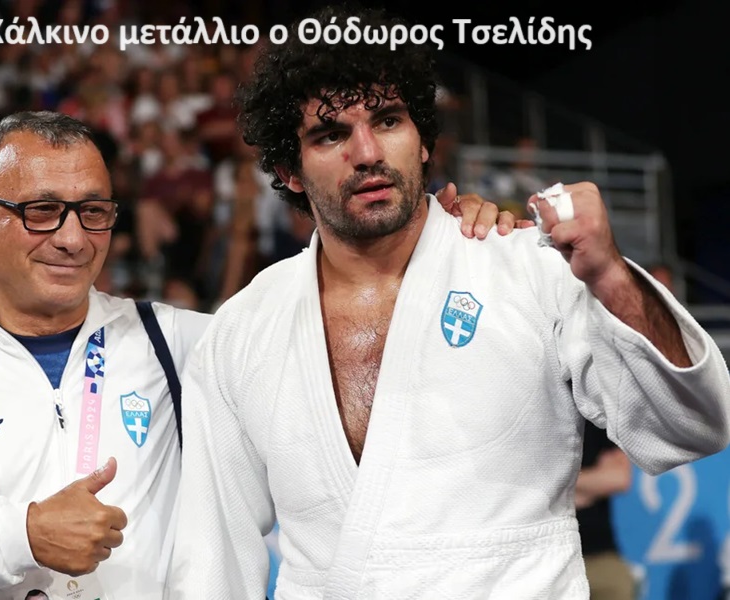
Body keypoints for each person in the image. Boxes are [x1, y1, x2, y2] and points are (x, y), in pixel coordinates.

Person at [167, 7, 730, 599]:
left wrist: (611, 276)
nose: (367, 152)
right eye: (330, 134)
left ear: (423, 141)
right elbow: (212, 559)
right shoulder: (244, 328)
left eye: (388, 120)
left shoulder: (527, 269)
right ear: (290, 171)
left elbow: (695, 426)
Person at [0, 110, 511, 600]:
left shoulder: (178, 342)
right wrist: (20, 536)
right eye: (41, 211)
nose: (72, 238)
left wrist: (438, 237)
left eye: (93, 212)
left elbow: (340, 327)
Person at [576, 421, 635, 600]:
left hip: (599, 553)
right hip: (541, 555)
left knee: (618, 583)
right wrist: (590, 485)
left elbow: (619, 478)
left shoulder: (593, 417)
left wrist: (560, 487)